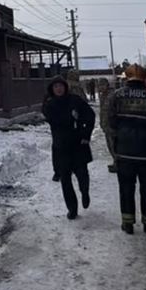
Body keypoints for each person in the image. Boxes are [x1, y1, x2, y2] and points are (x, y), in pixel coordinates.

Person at [108, 65, 146, 234]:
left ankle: (128, 222)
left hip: (124, 149)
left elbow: (111, 120)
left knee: (126, 187)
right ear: (143, 78)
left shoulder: (117, 95)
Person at [42, 76, 95, 220]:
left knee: (82, 174)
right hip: (61, 146)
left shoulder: (75, 100)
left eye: (61, 86)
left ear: (65, 87)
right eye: (55, 87)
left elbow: (90, 115)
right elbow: (55, 119)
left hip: (78, 144)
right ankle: (72, 208)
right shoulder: (49, 105)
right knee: (65, 180)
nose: (58, 89)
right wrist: (73, 118)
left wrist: (85, 134)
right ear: (52, 89)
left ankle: (85, 192)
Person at [97, 78, 117, 173]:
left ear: (107, 85)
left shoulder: (113, 95)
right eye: (100, 85)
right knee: (110, 145)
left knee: (114, 145)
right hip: (106, 125)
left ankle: (118, 163)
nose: (101, 87)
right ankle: (116, 161)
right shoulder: (102, 96)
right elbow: (102, 111)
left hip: (112, 125)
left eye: (103, 85)